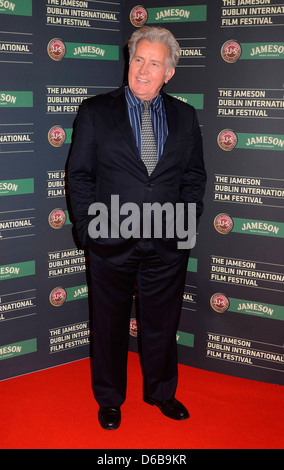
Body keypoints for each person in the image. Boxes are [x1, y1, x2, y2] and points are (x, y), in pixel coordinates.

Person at [67, 26, 206, 430]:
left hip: (167, 241)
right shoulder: (95, 111)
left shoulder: (185, 115)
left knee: (163, 323)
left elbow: (194, 178)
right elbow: (79, 176)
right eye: (138, 60)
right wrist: (87, 230)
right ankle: (110, 399)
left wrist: (185, 227)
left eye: (154, 63)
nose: (143, 71)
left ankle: (161, 391)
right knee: (108, 324)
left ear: (170, 72)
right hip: (109, 239)